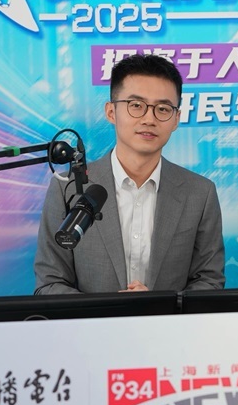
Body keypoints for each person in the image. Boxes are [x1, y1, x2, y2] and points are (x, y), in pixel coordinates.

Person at [34, 54, 225, 293]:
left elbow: (210, 281)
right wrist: (107, 309)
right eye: (136, 105)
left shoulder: (200, 193)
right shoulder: (67, 187)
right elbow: (50, 283)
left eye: (163, 109)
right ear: (111, 112)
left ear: (176, 119)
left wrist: (160, 305)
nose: (149, 119)